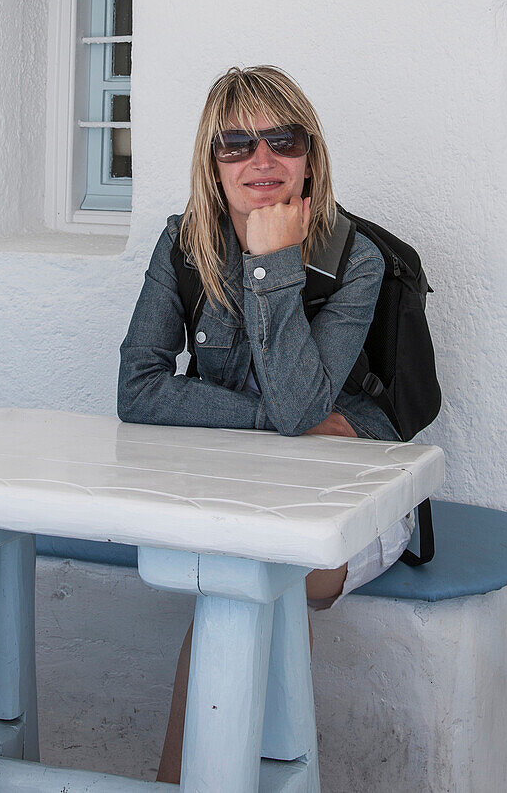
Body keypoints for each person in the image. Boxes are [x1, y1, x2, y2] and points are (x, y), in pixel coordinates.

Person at [117, 65, 413, 783]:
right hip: (239, 491)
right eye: (235, 144)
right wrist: (274, 423)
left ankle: (185, 780)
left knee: (255, 575)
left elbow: (299, 409)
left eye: (282, 140)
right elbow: (138, 389)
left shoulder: (356, 259)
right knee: (244, 568)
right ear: (209, 161)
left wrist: (273, 263)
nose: (261, 160)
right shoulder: (184, 247)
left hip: (351, 499)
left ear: (310, 154)